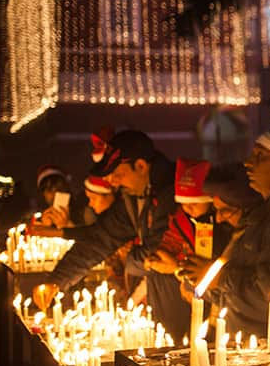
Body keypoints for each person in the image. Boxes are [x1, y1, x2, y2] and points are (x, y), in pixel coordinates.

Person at [33, 130, 191, 340]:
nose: (113, 182)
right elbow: (100, 240)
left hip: (180, 300)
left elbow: (155, 254)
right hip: (158, 297)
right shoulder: (133, 196)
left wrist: (130, 259)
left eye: (117, 174)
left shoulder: (171, 193)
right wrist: (57, 281)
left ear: (141, 166)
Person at [184, 127, 270, 337]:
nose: (248, 162)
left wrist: (219, 279)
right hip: (246, 336)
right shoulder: (266, 210)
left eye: (259, 156)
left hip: (267, 344)